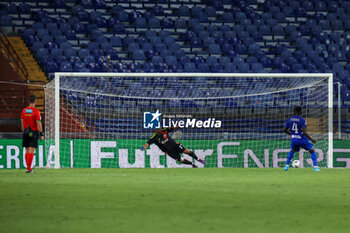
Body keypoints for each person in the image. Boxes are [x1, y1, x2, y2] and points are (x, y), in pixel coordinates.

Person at [141, 127, 206, 168]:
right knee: (180, 159)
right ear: (156, 130)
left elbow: (172, 128)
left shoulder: (164, 130)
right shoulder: (154, 138)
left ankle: (198, 159)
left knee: (187, 151)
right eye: (159, 129)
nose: (160, 129)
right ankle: (192, 164)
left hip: (175, 145)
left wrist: (178, 126)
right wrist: (143, 148)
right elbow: (147, 144)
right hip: (168, 151)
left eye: (160, 128)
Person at [283, 106, 320, 171]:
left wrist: (291, 134)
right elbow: (304, 132)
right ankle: (315, 167)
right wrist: (312, 139)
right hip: (302, 139)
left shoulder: (289, 119)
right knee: (312, 150)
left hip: (294, 139)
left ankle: (286, 166)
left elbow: (284, 130)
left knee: (292, 150)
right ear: (301, 112)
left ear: (294, 112)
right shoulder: (302, 120)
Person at [21, 95, 44, 173]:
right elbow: (38, 123)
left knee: (27, 149)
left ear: (29, 101)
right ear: (35, 101)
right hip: (33, 132)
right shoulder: (36, 111)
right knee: (31, 149)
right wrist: (41, 134)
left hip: (25, 131)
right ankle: (28, 169)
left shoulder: (24, 111)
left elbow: (22, 121)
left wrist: (24, 131)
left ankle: (28, 168)